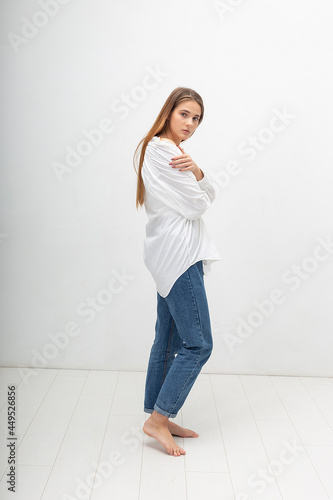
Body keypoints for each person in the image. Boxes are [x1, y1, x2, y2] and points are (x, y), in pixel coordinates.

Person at [133, 87, 221, 456]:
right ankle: (158, 418)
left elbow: (206, 192)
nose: (190, 123)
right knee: (199, 344)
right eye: (184, 114)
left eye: (196, 118)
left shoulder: (176, 153)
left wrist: (198, 171)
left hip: (175, 256)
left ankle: (160, 418)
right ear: (169, 112)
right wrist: (199, 183)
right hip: (179, 257)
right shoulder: (161, 150)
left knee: (168, 340)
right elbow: (198, 205)